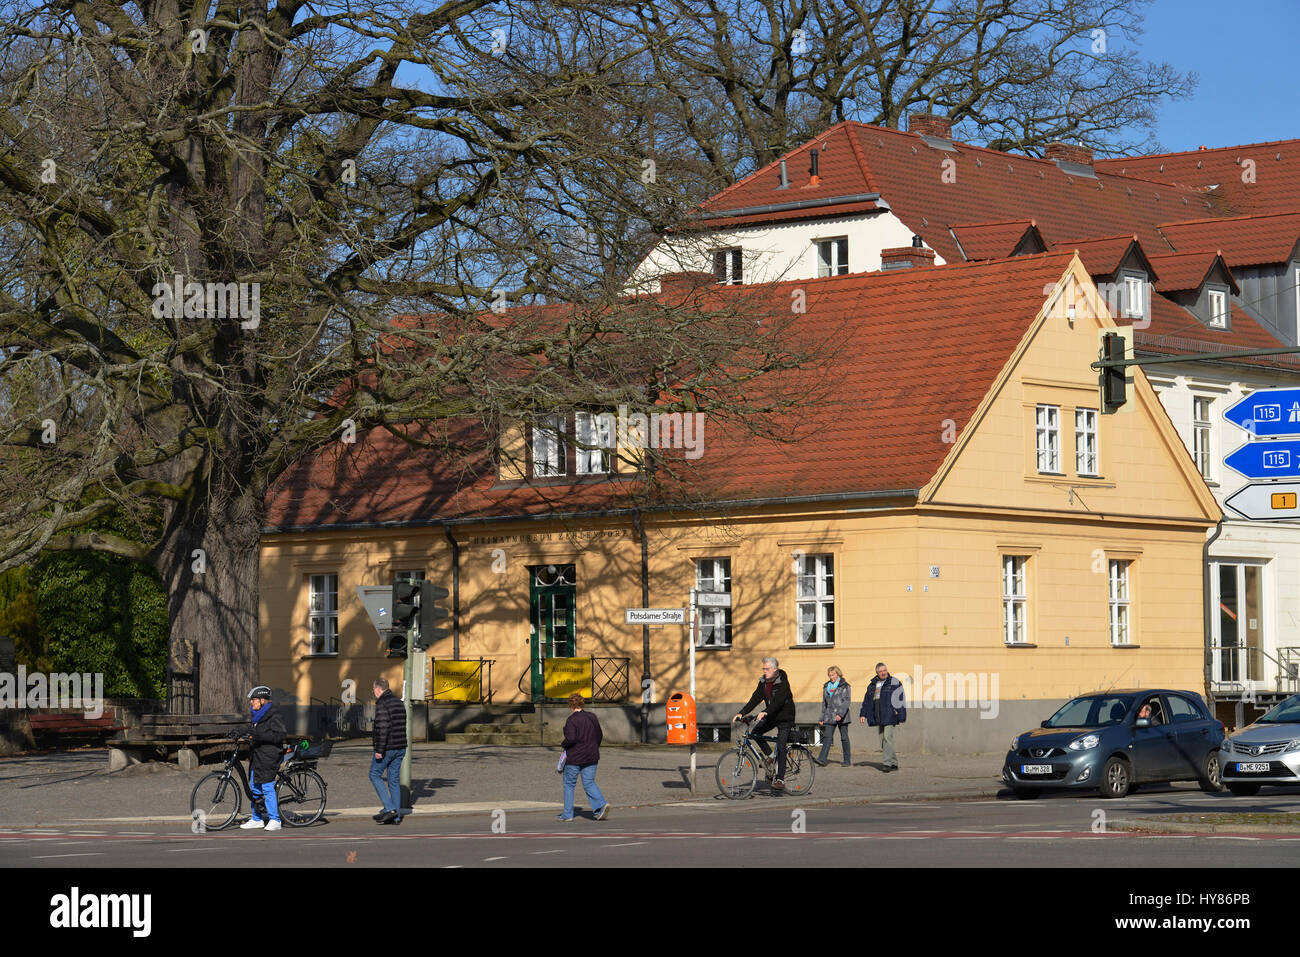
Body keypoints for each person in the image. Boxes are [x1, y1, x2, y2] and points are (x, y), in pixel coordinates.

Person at [734, 657, 796, 792]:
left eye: (767, 669)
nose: (765, 671)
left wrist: (765, 711)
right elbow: (755, 698)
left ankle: (780, 780)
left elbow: (778, 702)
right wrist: (742, 712)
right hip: (771, 715)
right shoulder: (763, 682)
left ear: (775, 669)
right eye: (763, 669)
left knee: (780, 746)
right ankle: (770, 757)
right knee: (755, 733)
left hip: (785, 717)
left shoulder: (783, 682)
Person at [240, 685, 285, 831]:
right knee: (254, 786)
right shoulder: (256, 715)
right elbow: (252, 731)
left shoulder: (274, 714)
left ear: (262, 700)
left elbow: (279, 735)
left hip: (269, 755)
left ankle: (275, 820)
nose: (251, 703)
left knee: (266, 786)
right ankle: (257, 818)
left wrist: (259, 736)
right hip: (257, 755)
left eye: (253, 700)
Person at [558, 693, 608, 821]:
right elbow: (599, 735)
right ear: (582, 703)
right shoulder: (592, 717)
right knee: (589, 782)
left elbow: (571, 739)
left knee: (569, 784)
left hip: (575, 757)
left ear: (570, 705)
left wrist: (563, 744)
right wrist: (593, 747)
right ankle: (601, 806)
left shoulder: (572, 720)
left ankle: (568, 814)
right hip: (592, 755)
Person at [370, 677, 408, 825]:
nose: (373, 692)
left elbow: (383, 728)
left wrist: (379, 749)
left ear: (378, 689)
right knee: (393, 780)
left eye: (373, 689)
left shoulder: (382, 704)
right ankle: (396, 817)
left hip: (387, 748)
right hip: (400, 747)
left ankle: (390, 808)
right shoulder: (399, 703)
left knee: (374, 774)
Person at [859, 662, 905, 772]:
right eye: (880, 672)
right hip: (877, 715)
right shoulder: (872, 685)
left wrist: (901, 715)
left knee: (887, 738)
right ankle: (894, 762)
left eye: (884, 670)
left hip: (890, 714)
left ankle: (887, 763)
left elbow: (900, 700)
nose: (883, 673)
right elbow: (867, 701)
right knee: (882, 740)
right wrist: (863, 714)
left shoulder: (894, 682)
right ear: (877, 673)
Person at [814, 665, 852, 767]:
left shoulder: (845, 686)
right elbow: (824, 704)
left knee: (844, 737)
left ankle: (847, 760)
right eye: (829, 675)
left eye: (833, 674)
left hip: (842, 716)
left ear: (838, 674)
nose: (831, 677)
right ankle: (822, 759)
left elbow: (847, 701)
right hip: (829, 715)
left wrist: (840, 714)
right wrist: (822, 717)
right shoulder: (826, 686)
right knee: (827, 737)